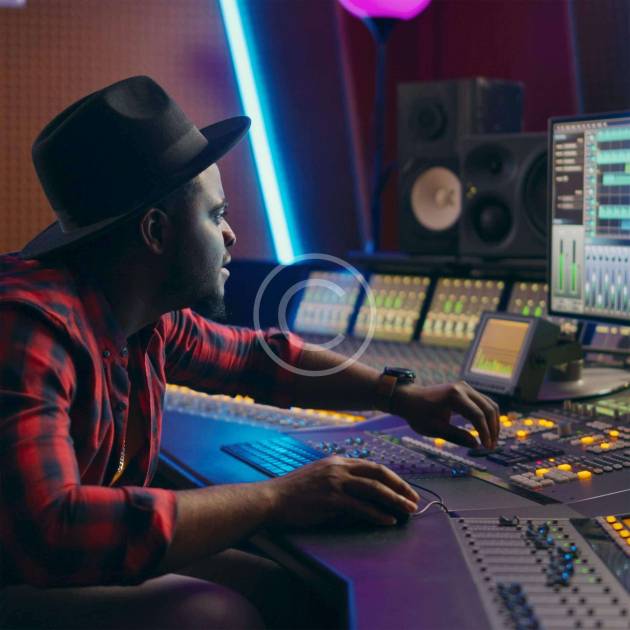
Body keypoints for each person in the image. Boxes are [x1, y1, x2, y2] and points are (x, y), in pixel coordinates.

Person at [0, 76, 499, 629]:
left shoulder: (141, 317)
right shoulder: (29, 327)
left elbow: (259, 360)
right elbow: (53, 532)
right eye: (216, 215)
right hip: (15, 575)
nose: (232, 235)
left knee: (287, 593)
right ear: (156, 231)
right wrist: (277, 498)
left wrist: (398, 394)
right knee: (216, 617)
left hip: (52, 568)